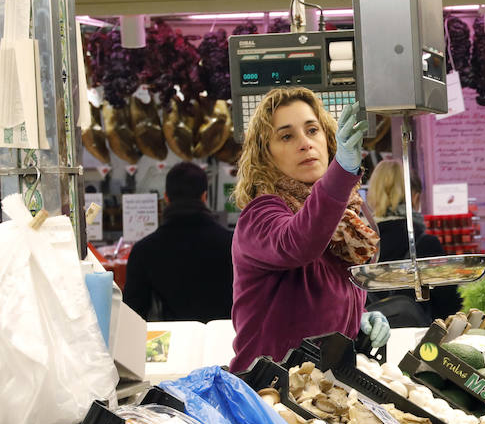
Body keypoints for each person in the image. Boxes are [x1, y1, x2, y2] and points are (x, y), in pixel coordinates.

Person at [229, 87, 389, 372]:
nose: (305, 143)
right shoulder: (259, 216)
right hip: (271, 392)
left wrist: (359, 318)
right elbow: (299, 243)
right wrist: (341, 171)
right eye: (287, 136)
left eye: (312, 130)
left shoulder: (343, 217)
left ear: (328, 139)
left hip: (324, 388)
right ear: (266, 156)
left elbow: (322, 301)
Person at [122, 162, 233, 322]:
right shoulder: (232, 244)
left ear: (166, 198)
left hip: (170, 344)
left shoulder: (144, 251)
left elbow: (132, 317)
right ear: (204, 197)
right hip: (223, 343)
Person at [364, 158, 459, 327]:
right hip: (420, 345)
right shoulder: (426, 244)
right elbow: (450, 308)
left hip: (372, 344)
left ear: (373, 196)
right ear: (415, 198)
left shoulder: (359, 245)